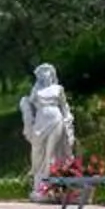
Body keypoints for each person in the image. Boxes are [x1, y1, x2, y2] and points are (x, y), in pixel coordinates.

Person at [20, 63, 77, 199]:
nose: (44, 75)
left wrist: (68, 119)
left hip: (56, 120)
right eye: (41, 73)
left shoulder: (58, 89)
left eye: (46, 72)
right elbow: (30, 105)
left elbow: (64, 107)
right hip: (40, 123)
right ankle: (40, 182)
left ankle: (47, 185)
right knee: (38, 150)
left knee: (51, 152)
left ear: (52, 74)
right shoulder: (36, 90)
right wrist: (25, 106)